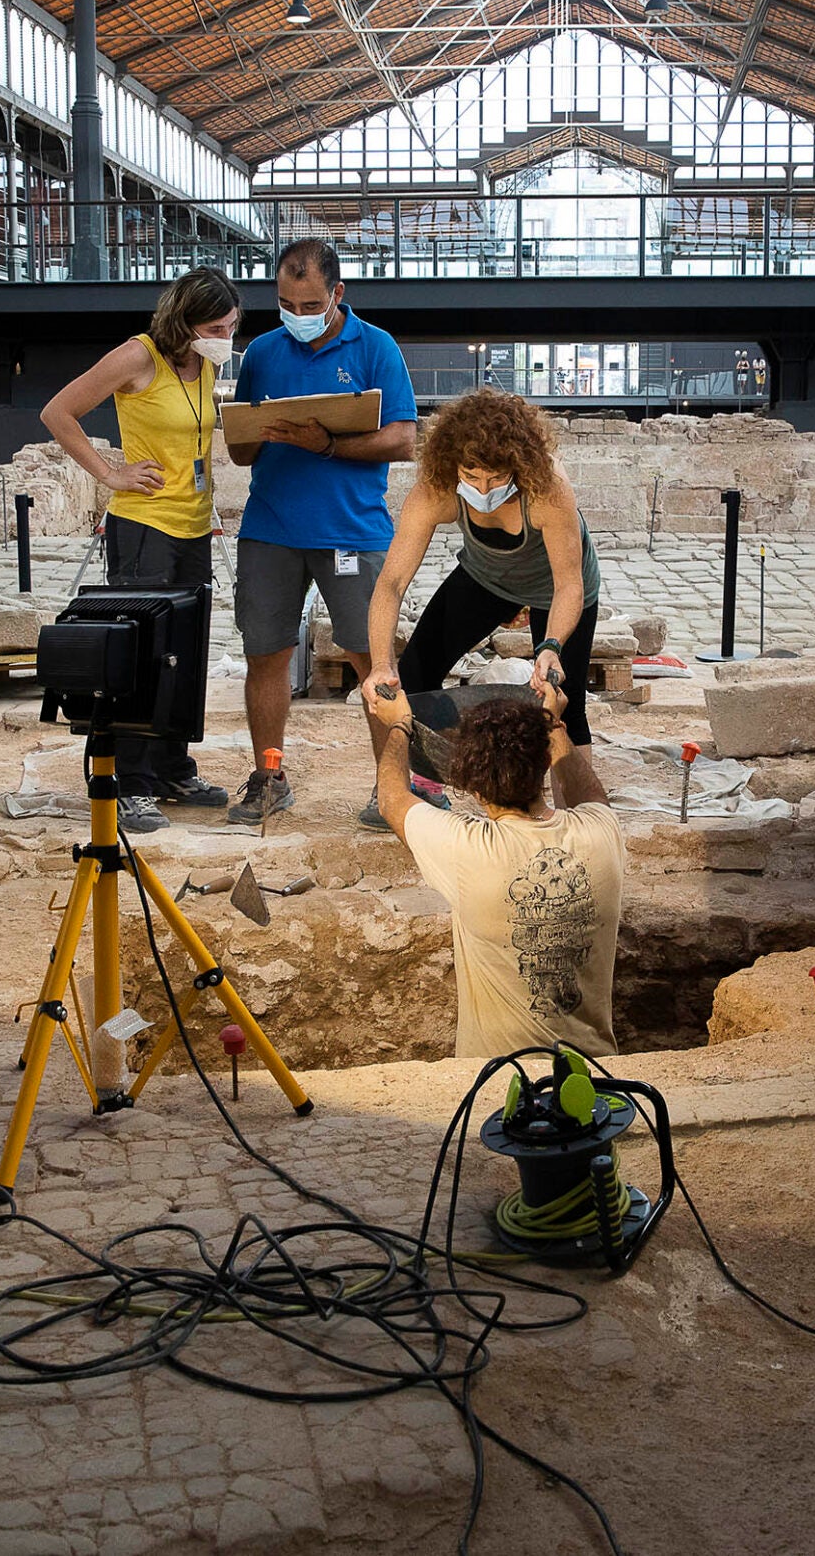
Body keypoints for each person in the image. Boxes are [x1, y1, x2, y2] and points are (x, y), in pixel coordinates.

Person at [224, 237, 424, 829]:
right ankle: (269, 776)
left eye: (311, 304)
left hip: (352, 532)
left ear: (338, 293)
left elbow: (404, 440)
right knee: (265, 656)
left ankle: (393, 789)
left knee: (373, 663)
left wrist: (329, 442)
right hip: (271, 530)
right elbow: (240, 452)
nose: (299, 316)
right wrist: (253, 428)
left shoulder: (376, 347)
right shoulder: (261, 352)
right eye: (288, 303)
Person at [36, 266, 242, 833]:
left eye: (231, 326)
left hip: (194, 525)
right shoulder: (137, 356)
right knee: (139, 653)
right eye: (216, 326)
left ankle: (174, 767)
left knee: (186, 650)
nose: (226, 336)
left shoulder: (203, 363)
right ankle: (130, 782)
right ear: (184, 320)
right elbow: (58, 412)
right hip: (145, 526)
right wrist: (110, 473)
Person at [360, 387, 605, 808]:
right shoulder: (436, 489)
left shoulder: (549, 489)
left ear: (518, 464)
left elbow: (569, 585)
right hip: (486, 576)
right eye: (470, 476)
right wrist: (380, 663)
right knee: (414, 670)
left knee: (563, 697)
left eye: (495, 478)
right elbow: (392, 582)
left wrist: (549, 647)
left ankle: (577, 815)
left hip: (557, 585)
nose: (482, 487)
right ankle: (428, 787)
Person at [365, 671, 621, 1061]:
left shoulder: (468, 849)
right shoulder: (601, 833)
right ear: (544, 761)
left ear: (473, 785)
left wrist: (398, 723)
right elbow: (590, 791)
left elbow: (391, 799)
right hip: (597, 1081)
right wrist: (550, 722)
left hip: (501, 1089)